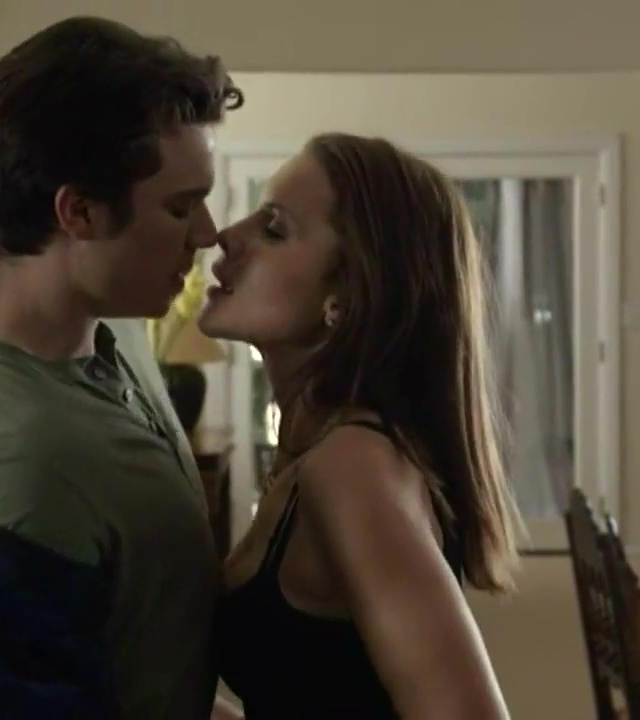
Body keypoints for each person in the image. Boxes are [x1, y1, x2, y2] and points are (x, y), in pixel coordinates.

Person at [0, 16, 244, 720]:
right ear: (79, 212)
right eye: (181, 206)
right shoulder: (9, 450)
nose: (208, 232)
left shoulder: (113, 331)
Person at [199, 133, 520, 719]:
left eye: (274, 228)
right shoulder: (317, 453)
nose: (227, 235)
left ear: (346, 293)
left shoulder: (352, 465)